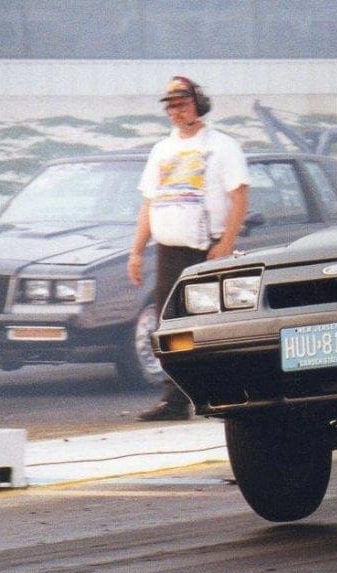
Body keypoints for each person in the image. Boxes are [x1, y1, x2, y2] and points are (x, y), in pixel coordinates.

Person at [128, 76, 250, 421]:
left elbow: (239, 196)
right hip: (169, 251)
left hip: (208, 250)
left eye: (181, 103)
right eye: (170, 105)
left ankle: (227, 394)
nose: (175, 110)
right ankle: (176, 399)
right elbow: (148, 203)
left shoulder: (222, 147)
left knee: (213, 324)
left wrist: (226, 243)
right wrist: (136, 251)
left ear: (198, 103)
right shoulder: (162, 150)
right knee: (171, 326)